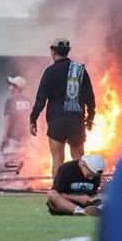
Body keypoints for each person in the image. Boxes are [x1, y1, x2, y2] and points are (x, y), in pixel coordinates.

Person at [30, 38, 96, 177]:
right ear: (68, 51)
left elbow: (41, 99)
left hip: (56, 120)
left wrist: (33, 119)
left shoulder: (49, 72)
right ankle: (79, 187)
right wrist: (90, 117)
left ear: (53, 51)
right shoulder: (79, 70)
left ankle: (57, 192)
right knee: (78, 158)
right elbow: (90, 97)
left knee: (57, 158)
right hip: (76, 120)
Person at [2, 76, 32, 154]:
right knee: (26, 162)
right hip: (26, 138)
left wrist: (5, 136)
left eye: (11, 85)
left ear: (16, 87)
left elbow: (8, 119)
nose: (9, 87)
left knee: (12, 161)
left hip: (13, 138)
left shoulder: (10, 101)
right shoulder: (28, 101)